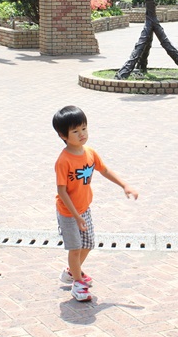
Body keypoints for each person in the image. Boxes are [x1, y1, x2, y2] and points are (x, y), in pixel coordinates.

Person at [52, 105, 138, 302]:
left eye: (84, 128)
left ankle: (71, 272)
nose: (82, 134)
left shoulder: (90, 153)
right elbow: (62, 191)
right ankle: (78, 284)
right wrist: (76, 216)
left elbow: (104, 170)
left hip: (84, 209)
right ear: (63, 135)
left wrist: (124, 185)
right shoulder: (63, 161)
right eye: (75, 131)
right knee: (75, 248)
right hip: (68, 213)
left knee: (88, 244)